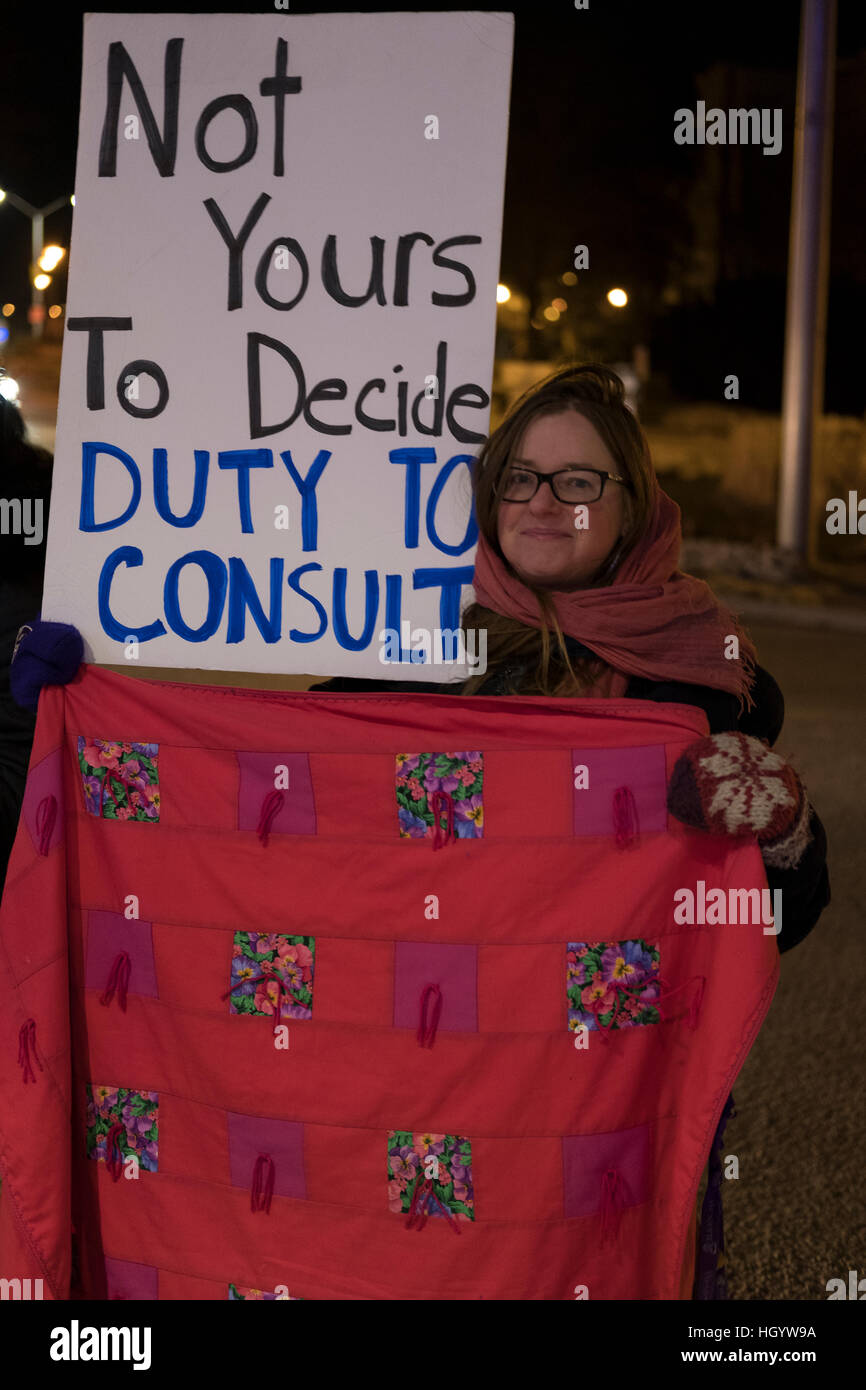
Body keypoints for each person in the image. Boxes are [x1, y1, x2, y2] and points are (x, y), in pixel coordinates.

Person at [9, 362, 830, 1298]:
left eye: (578, 480)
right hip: (400, 1093)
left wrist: (783, 832)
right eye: (518, 477)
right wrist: (99, 700)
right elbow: (273, 778)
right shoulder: (409, 642)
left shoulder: (699, 681)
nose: (542, 501)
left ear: (633, 501)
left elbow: (773, 918)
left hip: (584, 1110)